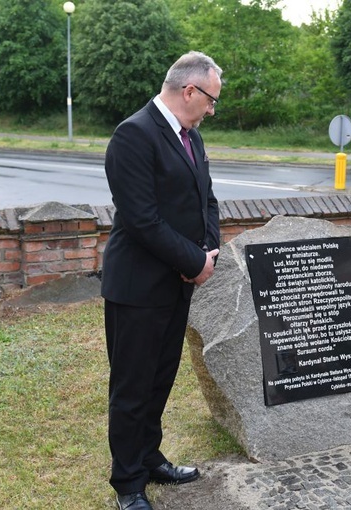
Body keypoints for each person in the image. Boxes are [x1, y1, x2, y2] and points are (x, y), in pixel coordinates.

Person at [101, 51, 222, 510]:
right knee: (132, 387)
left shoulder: (191, 137)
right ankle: (128, 483)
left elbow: (205, 199)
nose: (212, 110)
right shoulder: (133, 135)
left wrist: (206, 250)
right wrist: (194, 260)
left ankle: (150, 458)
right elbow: (141, 219)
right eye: (210, 100)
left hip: (178, 282)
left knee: (160, 379)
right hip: (138, 287)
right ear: (189, 90)